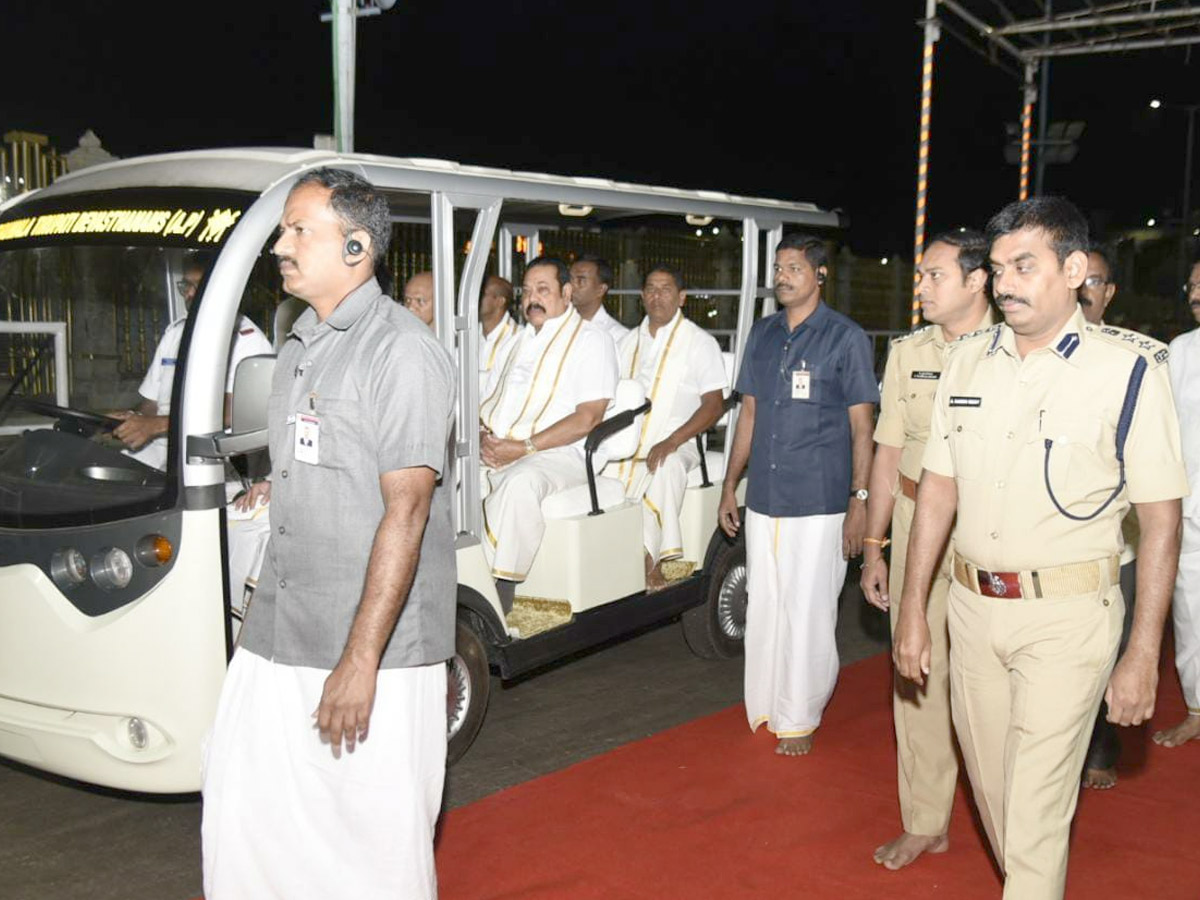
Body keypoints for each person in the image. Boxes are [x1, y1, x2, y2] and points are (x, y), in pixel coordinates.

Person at [895, 197, 1185, 899]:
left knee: (1035, 805)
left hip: (1068, 615)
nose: (1005, 284)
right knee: (995, 792)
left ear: (1075, 269)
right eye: (997, 269)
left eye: (1024, 265)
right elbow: (935, 491)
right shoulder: (964, 364)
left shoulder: (1131, 371)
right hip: (970, 608)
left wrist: (1144, 650)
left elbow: (1161, 518)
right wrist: (912, 608)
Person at [201, 167, 457, 900]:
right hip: (281, 624)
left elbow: (406, 510)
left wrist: (360, 660)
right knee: (244, 804)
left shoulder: (399, 351)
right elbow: (320, 459)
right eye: (283, 229)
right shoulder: (298, 346)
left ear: (355, 247)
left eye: (297, 230)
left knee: (369, 833)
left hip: (369, 642)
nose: (280, 244)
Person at [861, 229, 994, 869]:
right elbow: (889, 448)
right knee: (913, 671)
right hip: (915, 516)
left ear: (977, 280)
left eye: (935, 275)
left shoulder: (1011, 351)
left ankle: (1012, 818)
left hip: (986, 527)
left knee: (987, 680)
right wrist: (873, 543)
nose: (921, 286)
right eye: (920, 275)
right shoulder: (907, 351)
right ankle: (925, 819)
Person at [719, 233, 877, 756]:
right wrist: (729, 484)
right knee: (765, 604)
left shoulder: (845, 338)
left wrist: (860, 499)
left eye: (793, 268)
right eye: (778, 267)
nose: (782, 276)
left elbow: (862, 426)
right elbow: (749, 414)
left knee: (808, 609)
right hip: (765, 496)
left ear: (820, 274)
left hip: (821, 500)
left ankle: (801, 714)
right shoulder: (762, 335)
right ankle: (765, 701)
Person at [111, 251, 273, 616]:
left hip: (213, 458)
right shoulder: (175, 334)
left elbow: (231, 412)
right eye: (187, 285)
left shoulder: (246, 339)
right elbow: (151, 401)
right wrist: (132, 418)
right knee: (107, 474)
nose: (189, 294)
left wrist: (153, 426)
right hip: (160, 449)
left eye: (200, 286)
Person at [480, 256, 617, 614]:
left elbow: (588, 417)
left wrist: (522, 448)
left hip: (564, 454)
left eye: (543, 290)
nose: (532, 299)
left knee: (522, 482)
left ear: (567, 293)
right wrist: (484, 439)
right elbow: (487, 405)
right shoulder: (516, 342)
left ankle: (499, 585)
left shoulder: (592, 341)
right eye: (526, 292)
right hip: (505, 447)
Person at [614, 265, 726, 590]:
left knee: (665, 467)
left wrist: (671, 441)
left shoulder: (699, 342)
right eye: (650, 288)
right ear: (641, 296)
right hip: (627, 441)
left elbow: (714, 405)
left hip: (682, 440)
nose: (657, 295)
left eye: (665, 289)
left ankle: (651, 562)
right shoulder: (626, 342)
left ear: (682, 297)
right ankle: (611, 560)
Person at [1076, 243, 1139, 789]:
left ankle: (1100, 744)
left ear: (1109, 292)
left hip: (1119, 546)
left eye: (1096, 281)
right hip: (1057, 550)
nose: (1085, 291)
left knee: (1106, 657)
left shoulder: (1137, 359)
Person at [1156, 258, 1200, 749]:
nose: (1195, 292)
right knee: (1191, 613)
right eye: (1191, 285)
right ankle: (1196, 709)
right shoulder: (1181, 351)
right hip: (1190, 509)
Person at [570, 253, 628, 345]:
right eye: (570, 279)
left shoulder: (617, 336)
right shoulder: (558, 326)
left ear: (601, 289)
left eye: (581, 280)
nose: (572, 286)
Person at [479, 274, 517, 388]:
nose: (477, 298)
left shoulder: (517, 338)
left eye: (483, 294)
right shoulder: (465, 335)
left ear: (500, 301)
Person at [1077, 243, 1117, 326]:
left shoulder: (1112, 339)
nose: (1082, 290)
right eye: (1076, 279)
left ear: (1108, 293)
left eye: (1093, 282)